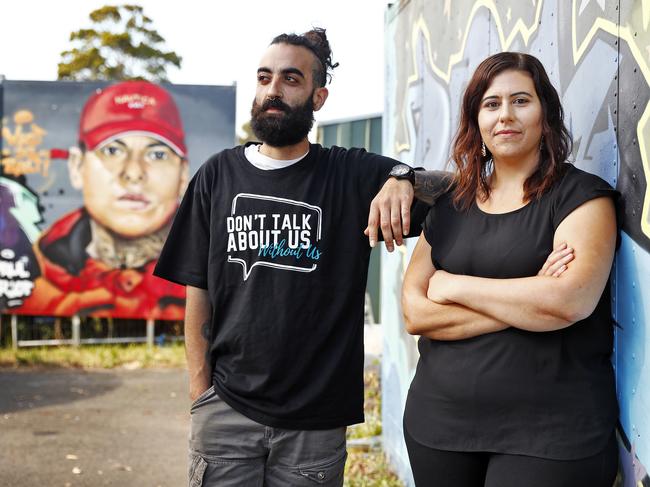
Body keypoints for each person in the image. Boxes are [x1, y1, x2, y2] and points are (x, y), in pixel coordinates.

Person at [153, 27, 451, 487]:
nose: (273, 90)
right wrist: (200, 391)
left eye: (291, 79)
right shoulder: (217, 176)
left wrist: (403, 177)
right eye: (264, 77)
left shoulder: (352, 174)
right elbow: (199, 291)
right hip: (226, 412)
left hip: (315, 424)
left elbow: (464, 189)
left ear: (318, 96)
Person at [401, 52, 619, 486]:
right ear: (476, 120)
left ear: (545, 114)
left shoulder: (582, 197)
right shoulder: (450, 205)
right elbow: (415, 313)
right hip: (438, 425)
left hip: (553, 434)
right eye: (491, 104)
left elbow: (566, 303)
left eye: (521, 100)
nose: (506, 115)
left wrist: (452, 284)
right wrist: (529, 294)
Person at [16, 80, 188, 319]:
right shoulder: (35, 272)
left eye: (157, 154)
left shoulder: (209, 273)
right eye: (112, 150)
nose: (134, 172)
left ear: (183, 175)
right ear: (77, 167)